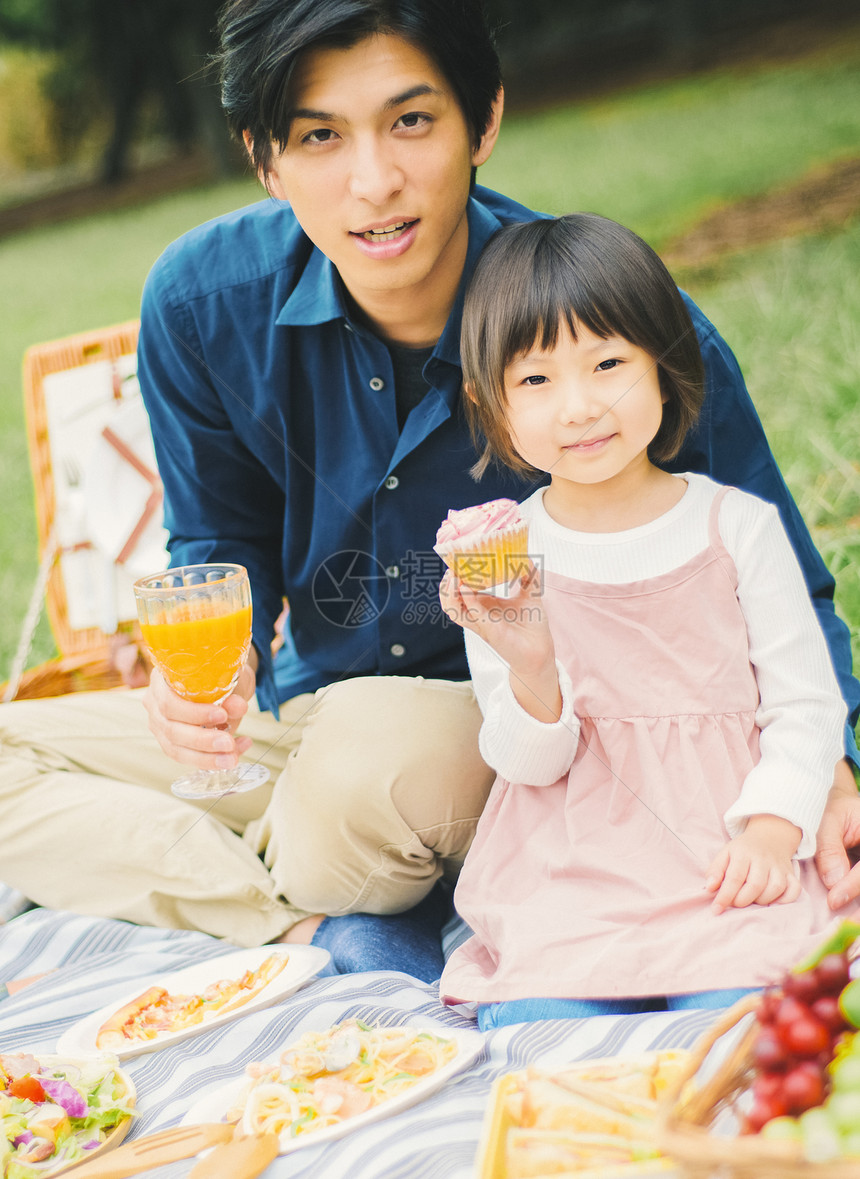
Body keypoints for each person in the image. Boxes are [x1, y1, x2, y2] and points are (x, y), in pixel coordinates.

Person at [0, 0, 858, 975]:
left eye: (410, 120)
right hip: (309, 720)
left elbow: (785, 584)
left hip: (529, 732)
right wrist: (213, 675)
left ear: (481, 118)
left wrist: (828, 767)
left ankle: (280, 872)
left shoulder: (608, 342)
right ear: (263, 157)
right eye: (320, 136)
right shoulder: (200, 306)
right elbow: (217, 537)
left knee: (370, 758)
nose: (374, 183)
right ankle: (305, 932)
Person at [438, 213, 860, 1028]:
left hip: (726, 851)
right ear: (490, 403)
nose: (581, 406)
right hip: (579, 865)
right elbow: (527, 762)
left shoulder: (735, 526)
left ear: (664, 370)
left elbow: (804, 703)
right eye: (537, 381)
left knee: (741, 1017)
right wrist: (530, 664)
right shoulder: (503, 551)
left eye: (608, 364)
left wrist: (774, 829)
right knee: (537, 1027)